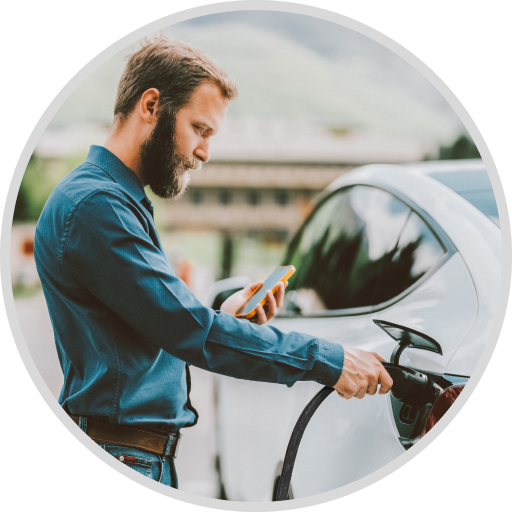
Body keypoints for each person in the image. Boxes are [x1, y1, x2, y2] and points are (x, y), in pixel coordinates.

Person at [34, 36, 393, 489]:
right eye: (200, 129)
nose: (204, 152)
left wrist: (220, 315)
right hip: (125, 455)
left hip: (130, 453)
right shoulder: (96, 207)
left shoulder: (109, 199)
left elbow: (153, 326)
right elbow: (187, 329)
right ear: (151, 106)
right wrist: (331, 360)